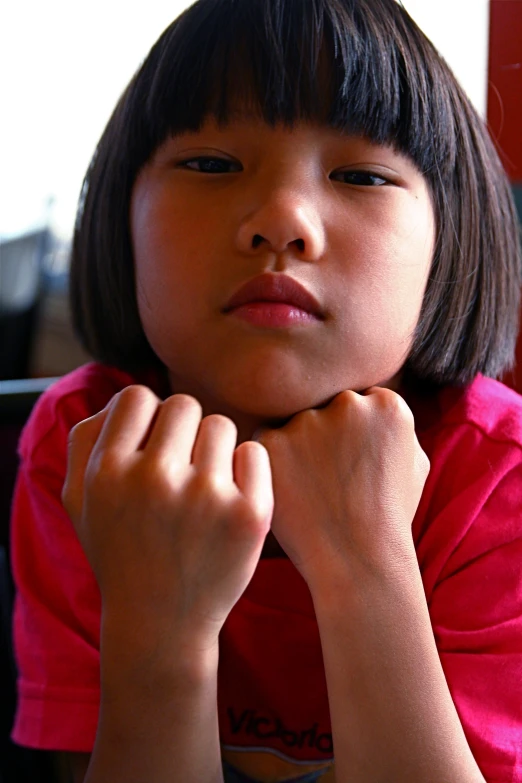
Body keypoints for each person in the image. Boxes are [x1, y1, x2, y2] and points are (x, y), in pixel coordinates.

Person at [9, 0, 522, 780]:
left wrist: (364, 560)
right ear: (121, 217)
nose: (282, 220)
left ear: (449, 244)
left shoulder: (497, 477)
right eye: (212, 164)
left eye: (360, 175)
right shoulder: (88, 446)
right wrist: (161, 629)